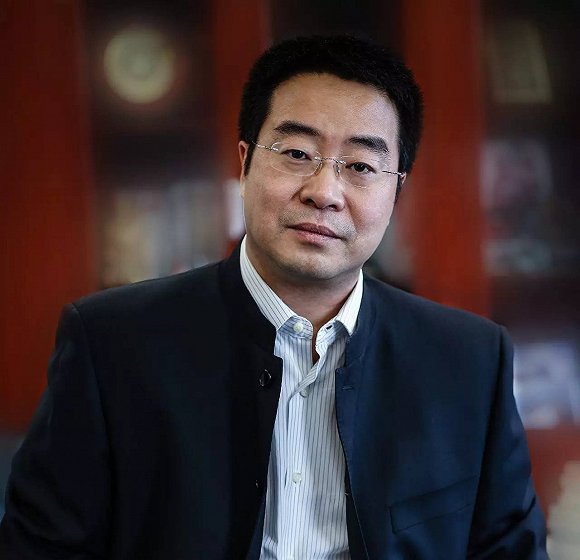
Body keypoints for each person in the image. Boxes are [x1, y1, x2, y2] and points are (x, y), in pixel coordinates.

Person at [0, 35, 547, 559]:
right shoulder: (112, 345)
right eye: (297, 153)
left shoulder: (468, 361)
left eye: (360, 166)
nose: (324, 192)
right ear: (243, 163)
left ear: (397, 189)